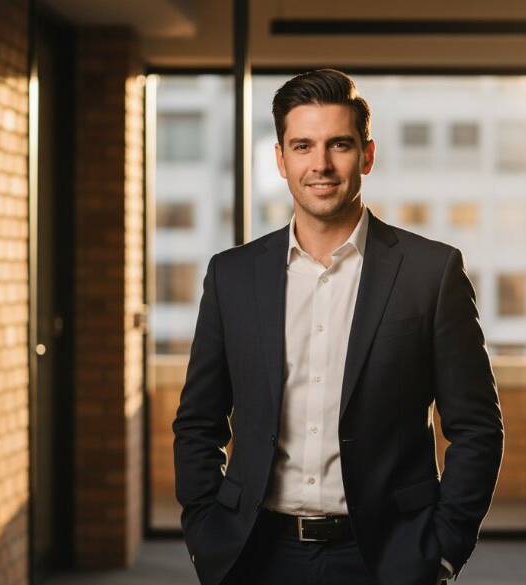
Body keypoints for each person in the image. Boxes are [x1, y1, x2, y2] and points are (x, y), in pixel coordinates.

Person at [173, 68, 504, 585]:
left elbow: (476, 428)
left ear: (367, 155)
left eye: (339, 145)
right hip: (254, 556)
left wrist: (441, 551)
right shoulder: (232, 276)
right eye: (302, 146)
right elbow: (199, 422)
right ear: (281, 160)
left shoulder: (429, 273)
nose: (321, 165)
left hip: (387, 558)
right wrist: (204, 534)